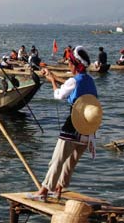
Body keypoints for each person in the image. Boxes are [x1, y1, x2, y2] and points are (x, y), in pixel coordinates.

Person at [35, 46, 99, 201]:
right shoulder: (90, 80)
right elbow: (76, 87)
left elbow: (59, 95)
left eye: (69, 62)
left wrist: (51, 80)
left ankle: (44, 190)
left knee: (58, 159)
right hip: (88, 127)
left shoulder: (73, 81)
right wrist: (56, 77)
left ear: (75, 64)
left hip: (73, 124)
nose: (68, 64)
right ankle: (59, 188)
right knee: (71, 162)